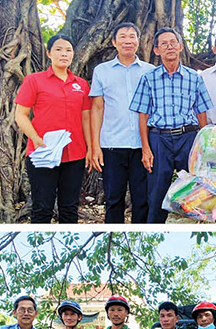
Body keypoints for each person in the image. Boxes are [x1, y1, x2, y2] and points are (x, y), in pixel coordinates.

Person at [130, 27, 213, 224]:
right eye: (164, 44)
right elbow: (143, 115)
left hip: (188, 137)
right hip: (159, 139)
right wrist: (145, 148)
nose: (169, 47)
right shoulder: (149, 79)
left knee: (194, 188)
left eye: (173, 42)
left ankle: (195, 224)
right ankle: (154, 229)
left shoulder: (194, 77)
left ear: (180, 47)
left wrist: (202, 145)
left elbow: (202, 112)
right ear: (156, 50)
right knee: (157, 191)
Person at [14, 33, 92, 224]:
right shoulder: (34, 80)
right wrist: (36, 139)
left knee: (70, 208)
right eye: (58, 49)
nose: (64, 54)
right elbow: (20, 115)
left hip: (75, 155)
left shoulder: (81, 85)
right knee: (42, 207)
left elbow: (86, 119)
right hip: (43, 152)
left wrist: (90, 148)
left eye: (68, 50)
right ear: (48, 53)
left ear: (73, 54)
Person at [89, 23, 155, 224]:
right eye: (123, 37)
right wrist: (95, 146)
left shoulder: (150, 71)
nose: (128, 40)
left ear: (138, 40)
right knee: (113, 199)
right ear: (114, 42)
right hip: (112, 145)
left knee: (142, 200)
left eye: (132, 36)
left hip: (143, 147)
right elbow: (97, 109)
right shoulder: (102, 71)